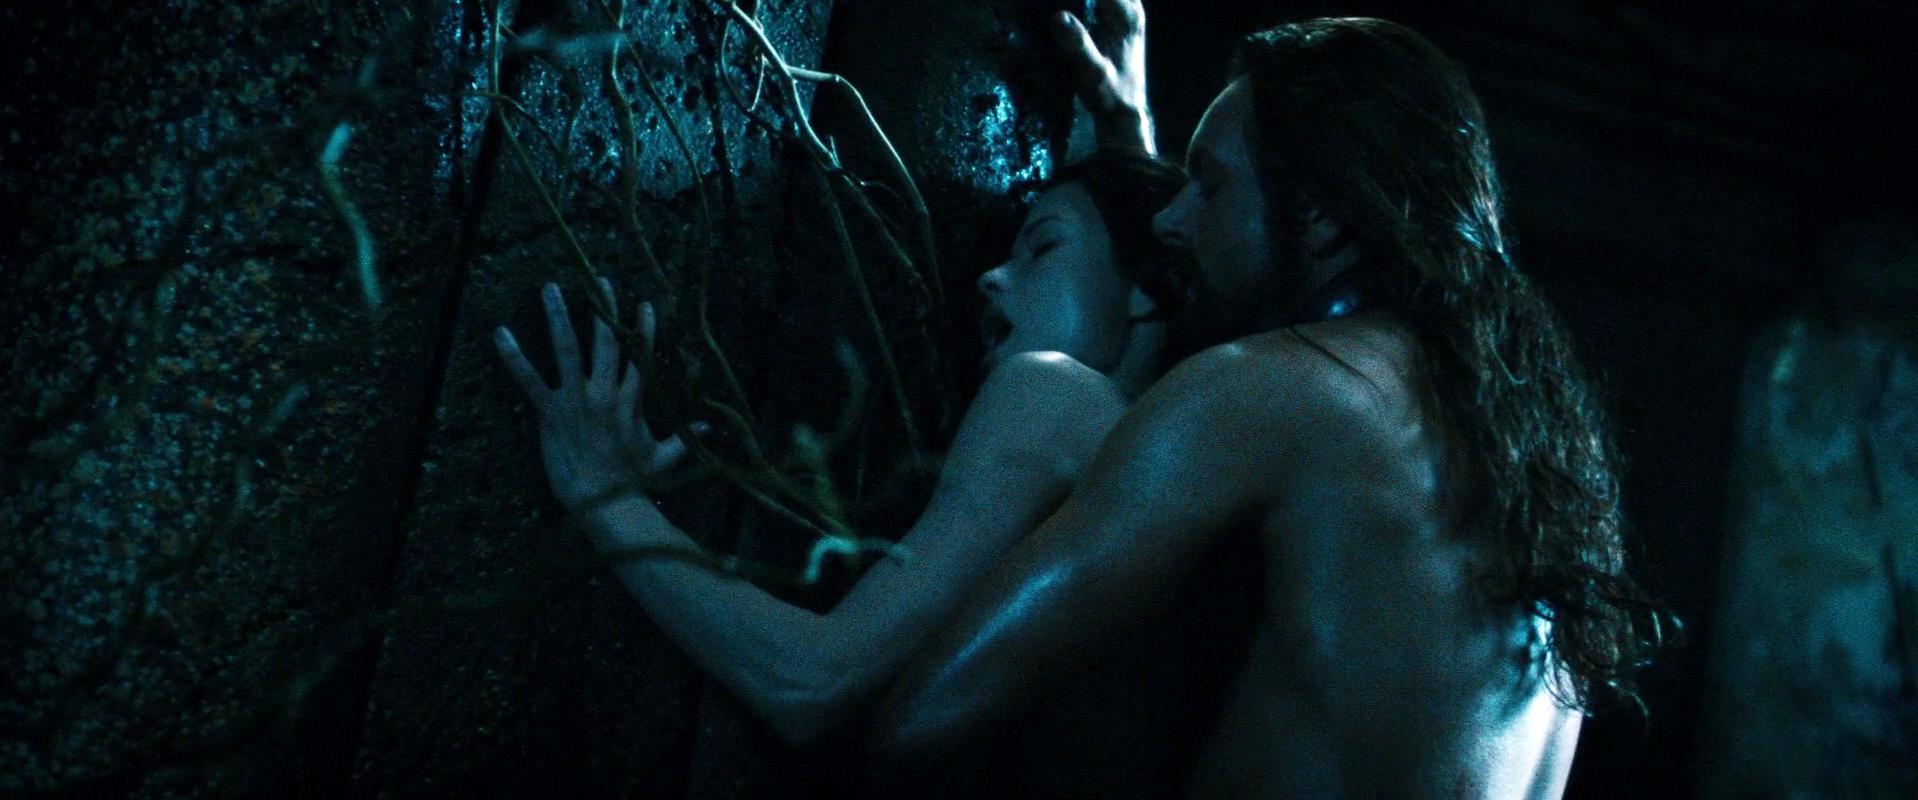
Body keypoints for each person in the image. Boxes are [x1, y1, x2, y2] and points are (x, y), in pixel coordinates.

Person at [873, 16, 1657, 799]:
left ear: (1318, 214)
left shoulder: (1264, 390)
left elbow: (921, 717)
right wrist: (1126, 134)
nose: (1169, 220)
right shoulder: (1537, 477)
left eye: (1209, 185)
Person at [490, 37, 1190, 747]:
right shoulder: (1169, 478)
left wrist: (606, 498)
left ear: (1149, 289)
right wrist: (1124, 123)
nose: (990, 279)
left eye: (1043, 246)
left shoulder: (1056, 393)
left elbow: (811, 679)